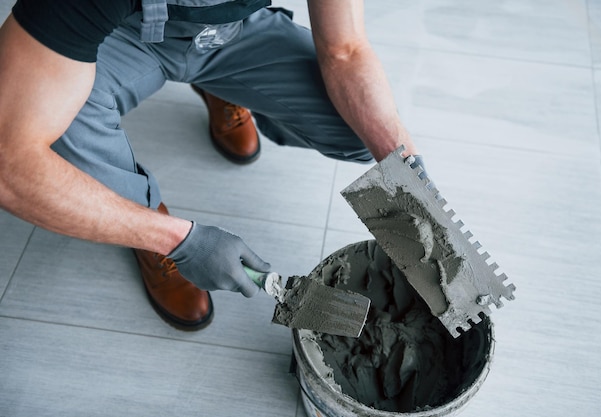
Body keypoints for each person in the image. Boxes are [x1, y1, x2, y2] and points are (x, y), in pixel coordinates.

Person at [0, 0, 420, 331]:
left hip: (230, 30)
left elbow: (345, 52)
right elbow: (10, 163)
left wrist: (401, 162)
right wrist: (180, 241)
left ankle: (224, 83)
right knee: (57, 129)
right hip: (119, 36)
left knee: (360, 131)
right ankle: (148, 230)